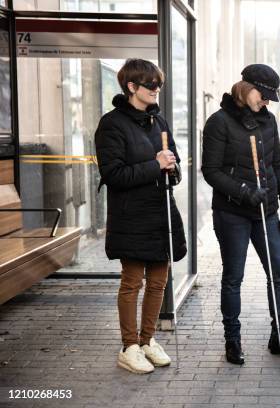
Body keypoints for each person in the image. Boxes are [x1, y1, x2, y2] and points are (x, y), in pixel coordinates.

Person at [201, 64, 280, 365]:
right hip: (232, 213)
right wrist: (244, 190)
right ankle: (232, 340)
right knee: (234, 277)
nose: (267, 102)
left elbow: (277, 164)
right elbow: (211, 171)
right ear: (246, 88)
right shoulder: (219, 122)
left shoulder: (269, 121)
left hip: (267, 210)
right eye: (264, 95)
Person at [94, 59, 187, 374]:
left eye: (158, 83)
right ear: (131, 87)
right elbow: (113, 174)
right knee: (132, 282)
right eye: (150, 84)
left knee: (159, 282)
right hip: (131, 216)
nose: (156, 89)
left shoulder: (158, 120)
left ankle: (148, 341)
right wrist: (156, 164)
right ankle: (129, 346)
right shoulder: (112, 124)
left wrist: (172, 168)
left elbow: (172, 165)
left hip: (160, 212)